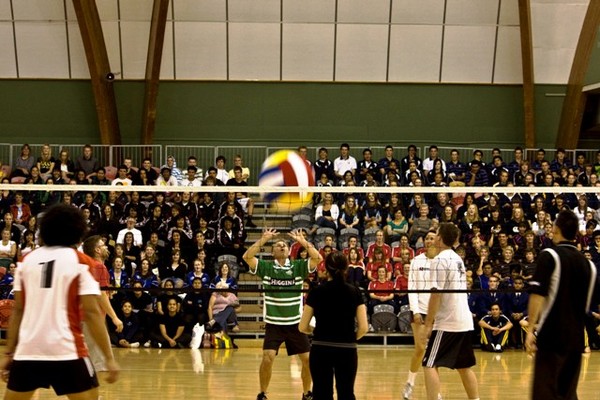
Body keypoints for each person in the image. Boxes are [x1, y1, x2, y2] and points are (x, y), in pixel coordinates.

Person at [0, 204, 119, 399]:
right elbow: (91, 313)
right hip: (67, 350)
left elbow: (19, 311)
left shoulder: (26, 261)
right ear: (77, 230)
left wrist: (8, 353)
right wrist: (108, 358)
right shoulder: (81, 262)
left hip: (29, 350)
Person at [526, 210, 599, 399]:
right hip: (576, 339)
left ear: (556, 229)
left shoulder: (549, 255)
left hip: (551, 337)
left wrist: (530, 330)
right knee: (567, 394)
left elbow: (537, 294)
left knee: (544, 392)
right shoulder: (589, 265)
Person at [242, 228, 322, 400]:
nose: (282, 246)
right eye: (278, 245)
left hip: (295, 323)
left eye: (284, 245)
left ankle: (307, 393)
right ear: (273, 252)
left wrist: (302, 242)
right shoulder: (266, 267)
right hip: (274, 323)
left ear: (288, 251)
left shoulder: (298, 266)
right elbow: (247, 257)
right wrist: (263, 240)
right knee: (268, 357)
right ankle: (262, 393)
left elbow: (317, 258)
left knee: (308, 360)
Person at [299, 252, 368, 400]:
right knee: (346, 393)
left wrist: (315, 331)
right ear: (346, 269)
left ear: (326, 269)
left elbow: (302, 326)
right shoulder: (354, 291)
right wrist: (349, 337)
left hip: (321, 348)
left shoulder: (316, 292)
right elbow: (364, 327)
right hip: (347, 349)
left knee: (322, 394)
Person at [422, 223, 479, 400]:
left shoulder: (440, 260)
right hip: (463, 320)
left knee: (429, 364)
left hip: (448, 322)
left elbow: (436, 295)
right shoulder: (456, 258)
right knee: (464, 366)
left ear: (439, 238)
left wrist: (428, 324)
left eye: (436, 234)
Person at [402, 230, 438, 400]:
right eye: (427, 239)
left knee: (433, 353)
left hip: (438, 312)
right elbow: (412, 287)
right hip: (420, 311)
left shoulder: (443, 260)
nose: (430, 241)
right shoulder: (416, 261)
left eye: (432, 238)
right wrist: (415, 311)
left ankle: (435, 391)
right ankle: (410, 382)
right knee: (420, 349)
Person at [81, 235, 124, 371]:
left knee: (88, 362)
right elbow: (100, 295)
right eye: (103, 245)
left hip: (84, 317)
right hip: (91, 318)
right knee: (99, 365)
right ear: (97, 250)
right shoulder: (99, 267)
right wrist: (115, 317)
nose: (106, 247)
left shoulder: (89, 266)